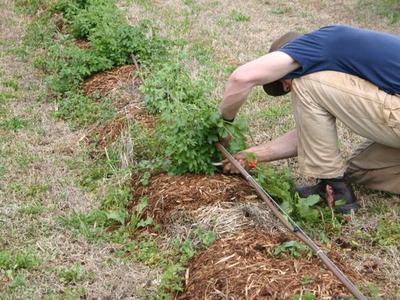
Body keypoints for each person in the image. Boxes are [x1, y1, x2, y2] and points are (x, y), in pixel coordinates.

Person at [219, 25, 400, 213]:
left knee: (306, 83)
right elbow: (314, 136)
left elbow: (241, 78)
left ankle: (334, 189)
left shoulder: (320, 42)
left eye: (282, 81)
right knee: (362, 170)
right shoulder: (347, 61)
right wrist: (251, 156)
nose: (287, 88)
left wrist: (224, 125)